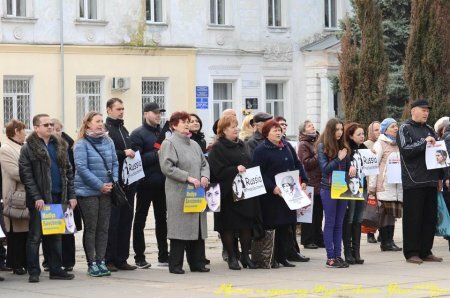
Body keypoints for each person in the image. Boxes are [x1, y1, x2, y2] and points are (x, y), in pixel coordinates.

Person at [19, 114, 76, 283]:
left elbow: (68, 172)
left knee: (55, 235)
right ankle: (34, 271)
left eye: (51, 124)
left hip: (58, 196)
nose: (50, 127)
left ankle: (56, 269)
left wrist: (71, 195)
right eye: (46, 125)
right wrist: (37, 197)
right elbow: (26, 175)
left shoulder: (59, 145)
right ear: (36, 128)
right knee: (35, 236)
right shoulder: (28, 148)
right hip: (40, 200)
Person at [253, 120, 309, 268]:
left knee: (286, 226)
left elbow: (297, 164)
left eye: (279, 130)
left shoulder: (286, 146)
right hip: (271, 195)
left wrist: (303, 179)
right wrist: (272, 187)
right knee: (274, 225)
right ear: (266, 133)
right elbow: (258, 173)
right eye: (274, 130)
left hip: (289, 193)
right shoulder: (261, 150)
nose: (278, 133)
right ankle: (272, 257)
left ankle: (283, 257)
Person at [159, 111, 210, 274]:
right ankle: (175, 264)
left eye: (188, 121)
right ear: (174, 125)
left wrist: (204, 176)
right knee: (180, 228)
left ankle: (198, 263)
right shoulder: (169, 143)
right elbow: (167, 167)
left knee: (197, 228)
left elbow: (204, 163)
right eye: (183, 122)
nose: (187, 124)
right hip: (179, 192)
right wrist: (187, 178)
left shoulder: (194, 144)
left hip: (196, 192)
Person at [208, 115, 260, 270]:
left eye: (237, 126)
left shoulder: (242, 145)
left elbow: (249, 163)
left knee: (245, 225)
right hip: (227, 193)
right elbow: (216, 171)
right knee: (228, 226)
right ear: (224, 130)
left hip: (244, 191)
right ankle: (232, 257)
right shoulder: (217, 147)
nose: (236, 129)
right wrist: (234, 169)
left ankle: (245, 256)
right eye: (232, 127)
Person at [397, 99, 443, 264]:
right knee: (413, 218)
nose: (426, 113)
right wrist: (424, 142)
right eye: (423, 110)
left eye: (427, 111)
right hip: (413, 181)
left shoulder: (430, 129)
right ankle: (412, 252)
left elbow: (439, 153)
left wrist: (440, 177)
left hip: (430, 180)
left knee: (429, 219)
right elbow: (406, 150)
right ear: (413, 110)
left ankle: (426, 250)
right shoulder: (405, 128)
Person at [74, 112, 118, 277]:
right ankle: (91, 263)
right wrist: (100, 185)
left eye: (101, 121)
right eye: (97, 121)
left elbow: (115, 162)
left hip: (107, 191)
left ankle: (101, 261)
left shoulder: (108, 141)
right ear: (88, 125)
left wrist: (113, 181)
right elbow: (82, 168)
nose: (101, 124)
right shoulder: (81, 144)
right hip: (88, 192)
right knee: (91, 228)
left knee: (103, 228)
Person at [130, 102, 168, 268]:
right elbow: (136, 161)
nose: (158, 115)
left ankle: (163, 255)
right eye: (154, 113)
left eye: (159, 112)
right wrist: (156, 154)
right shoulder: (138, 134)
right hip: (145, 184)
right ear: (145, 114)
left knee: (162, 221)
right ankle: (139, 256)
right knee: (140, 221)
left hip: (162, 183)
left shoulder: (163, 133)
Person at [104, 98, 137, 271]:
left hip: (128, 182)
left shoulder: (123, 129)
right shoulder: (106, 130)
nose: (121, 111)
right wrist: (123, 152)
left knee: (126, 221)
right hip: (114, 183)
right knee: (113, 223)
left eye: (123, 108)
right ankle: (108, 258)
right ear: (109, 110)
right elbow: (106, 153)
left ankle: (122, 258)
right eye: (118, 109)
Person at [317, 118, 353, 268]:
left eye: (341, 129)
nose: (339, 132)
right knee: (330, 222)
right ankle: (330, 257)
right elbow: (324, 168)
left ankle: (338, 255)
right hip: (328, 188)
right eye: (337, 130)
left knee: (339, 223)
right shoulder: (322, 146)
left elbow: (348, 165)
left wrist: (352, 168)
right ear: (330, 131)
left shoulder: (343, 146)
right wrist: (338, 158)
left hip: (342, 187)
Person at [50, 118, 82, 272]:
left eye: (57, 129)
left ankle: (68, 261)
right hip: (53, 194)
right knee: (53, 229)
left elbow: (71, 171)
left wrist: (71, 194)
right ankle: (52, 262)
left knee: (67, 230)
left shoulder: (67, 146)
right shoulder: (48, 146)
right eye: (52, 128)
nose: (55, 132)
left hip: (67, 194)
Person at [368, 118, 403, 252]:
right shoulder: (380, 144)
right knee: (384, 215)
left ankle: (390, 240)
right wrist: (372, 187)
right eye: (392, 126)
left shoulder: (398, 144)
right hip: (384, 186)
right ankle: (385, 242)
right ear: (385, 130)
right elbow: (373, 166)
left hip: (396, 186)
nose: (396, 128)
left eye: (396, 126)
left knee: (392, 215)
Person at [0, 120, 28, 276]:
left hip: (26, 194)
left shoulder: (23, 146)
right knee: (15, 232)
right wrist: (33, 177)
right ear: (16, 131)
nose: (25, 132)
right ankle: (15, 263)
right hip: (15, 196)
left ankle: (23, 262)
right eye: (23, 129)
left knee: (25, 232)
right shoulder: (6, 148)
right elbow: (14, 172)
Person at [341, 122, 367, 265]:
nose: (362, 136)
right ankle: (348, 252)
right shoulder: (347, 149)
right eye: (359, 134)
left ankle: (357, 252)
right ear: (350, 136)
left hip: (362, 186)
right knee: (349, 219)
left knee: (358, 219)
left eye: (363, 134)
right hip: (350, 187)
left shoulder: (364, 149)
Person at [297, 120, 324, 249]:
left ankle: (318, 237)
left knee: (319, 213)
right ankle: (307, 239)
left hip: (320, 182)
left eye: (312, 124)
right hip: (310, 181)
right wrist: (319, 156)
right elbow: (306, 163)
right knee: (309, 213)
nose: (312, 126)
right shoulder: (303, 144)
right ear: (303, 131)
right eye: (309, 125)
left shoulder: (318, 142)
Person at [363, 121, 381, 244]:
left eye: (380, 129)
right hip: (369, 180)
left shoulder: (385, 144)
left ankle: (382, 233)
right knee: (371, 208)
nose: (378, 132)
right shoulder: (366, 145)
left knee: (382, 209)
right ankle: (370, 233)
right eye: (375, 130)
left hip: (382, 181)